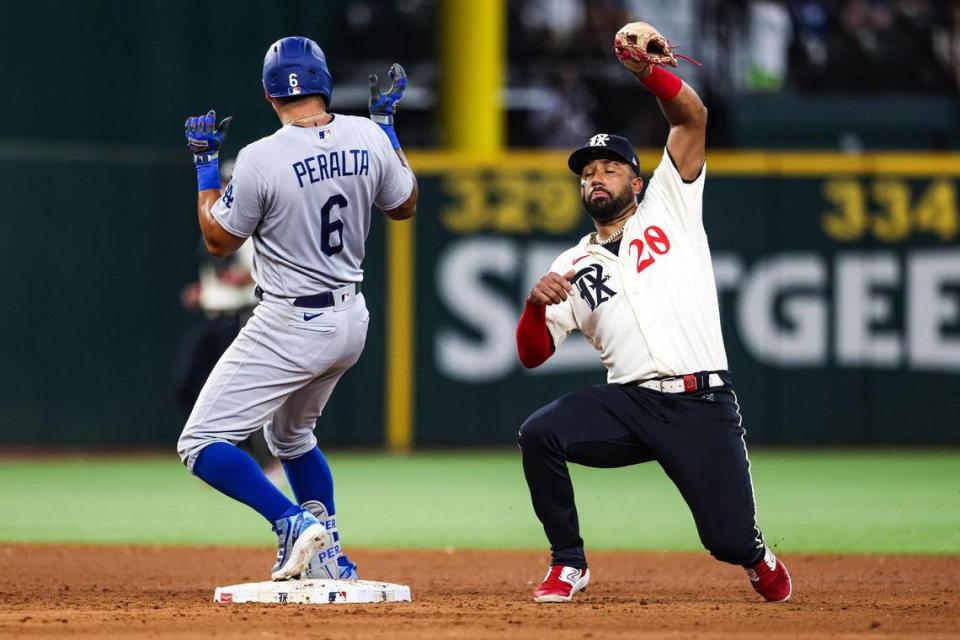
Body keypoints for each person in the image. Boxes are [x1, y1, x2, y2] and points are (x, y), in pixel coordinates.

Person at [514, 21, 791, 603]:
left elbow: (693, 119)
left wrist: (648, 73)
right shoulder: (572, 262)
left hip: (701, 401)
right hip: (630, 402)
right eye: (587, 172)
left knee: (728, 540)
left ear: (636, 182)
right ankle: (569, 562)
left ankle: (755, 551)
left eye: (609, 167)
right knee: (540, 433)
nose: (595, 177)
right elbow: (533, 355)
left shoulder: (670, 203)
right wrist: (534, 309)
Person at [177, 36, 417, 582]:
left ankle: (289, 522)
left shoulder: (262, 156)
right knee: (290, 437)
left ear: (268, 94)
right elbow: (404, 206)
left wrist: (206, 167)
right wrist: (387, 126)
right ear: (325, 83)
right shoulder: (368, 134)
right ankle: (329, 555)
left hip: (290, 320)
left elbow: (218, 239)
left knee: (199, 442)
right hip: (350, 319)